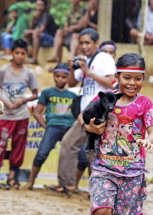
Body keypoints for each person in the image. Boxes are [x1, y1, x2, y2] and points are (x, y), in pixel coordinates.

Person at [83, 53, 153, 215]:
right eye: (127, 77)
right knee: (102, 210)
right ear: (117, 76)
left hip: (132, 172)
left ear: (143, 79)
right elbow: (82, 115)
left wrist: (149, 140)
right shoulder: (106, 98)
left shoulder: (145, 104)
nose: (132, 83)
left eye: (138, 78)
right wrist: (90, 127)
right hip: (103, 167)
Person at [49, 28, 116, 194]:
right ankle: (68, 184)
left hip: (100, 113)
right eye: (81, 43)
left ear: (96, 44)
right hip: (85, 114)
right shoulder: (85, 59)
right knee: (69, 143)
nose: (84, 46)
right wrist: (73, 68)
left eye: (87, 42)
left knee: (94, 153)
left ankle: (99, 191)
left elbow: (111, 82)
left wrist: (88, 72)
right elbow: (71, 83)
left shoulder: (104, 58)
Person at [0, 39, 39, 189]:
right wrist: (4, 103)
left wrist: (23, 100)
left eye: (23, 53)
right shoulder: (3, 71)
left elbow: (35, 94)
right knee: (0, 144)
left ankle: (12, 176)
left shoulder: (29, 73)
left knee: (18, 146)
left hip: (22, 115)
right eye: (17, 53)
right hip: (6, 115)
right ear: (12, 54)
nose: (20, 56)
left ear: (26, 55)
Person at [22, 63, 76, 190]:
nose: (60, 79)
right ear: (53, 76)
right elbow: (37, 112)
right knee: (42, 153)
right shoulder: (47, 92)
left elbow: (77, 114)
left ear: (68, 77)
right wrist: (47, 127)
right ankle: (31, 182)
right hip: (53, 127)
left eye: (64, 77)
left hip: (69, 128)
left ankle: (68, 185)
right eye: (57, 76)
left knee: (70, 156)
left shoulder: (73, 96)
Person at [24, 0, 61, 64]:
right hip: (43, 39)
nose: (39, 8)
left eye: (41, 5)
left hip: (52, 40)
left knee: (35, 33)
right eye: (38, 5)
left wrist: (29, 31)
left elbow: (42, 29)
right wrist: (33, 18)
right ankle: (24, 56)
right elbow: (31, 28)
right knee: (27, 34)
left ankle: (34, 59)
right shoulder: (37, 16)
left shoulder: (46, 15)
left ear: (45, 6)